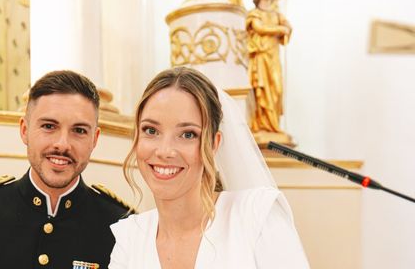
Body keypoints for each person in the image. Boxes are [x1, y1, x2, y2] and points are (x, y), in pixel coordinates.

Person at [109, 67, 309, 268]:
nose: (164, 151)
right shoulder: (130, 238)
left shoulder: (256, 216)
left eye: (187, 134)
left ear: (214, 144)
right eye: (151, 130)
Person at [0, 70, 132, 268]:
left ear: (95, 139)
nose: (63, 144)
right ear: (24, 130)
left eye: (79, 130)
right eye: (49, 126)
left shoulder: (121, 224)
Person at [246, 0, 292, 133]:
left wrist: (287, 28)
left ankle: (274, 125)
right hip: (260, 57)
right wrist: (280, 29)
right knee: (262, 90)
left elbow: (288, 29)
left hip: (273, 58)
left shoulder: (277, 14)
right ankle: (262, 125)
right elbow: (259, 28)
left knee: (277, 89)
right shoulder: (254, 14)